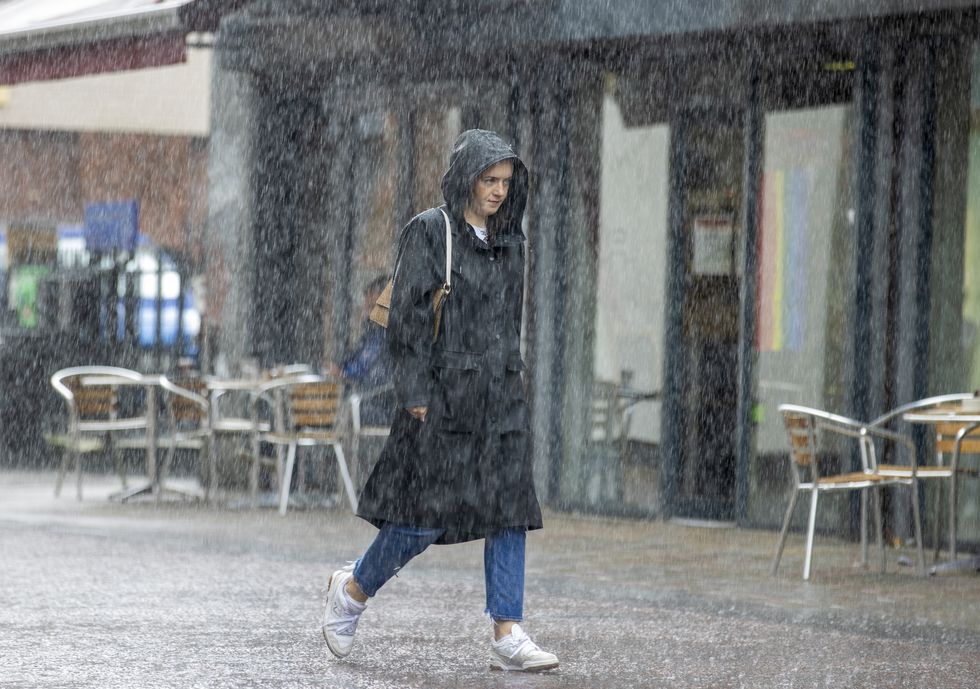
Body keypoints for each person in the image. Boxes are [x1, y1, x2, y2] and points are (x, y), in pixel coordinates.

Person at [321, 129, 558, 672]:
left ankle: (508, 633)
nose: (498, 191)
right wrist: (415, 392)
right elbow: (404, 319)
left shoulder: (510, 239)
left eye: (505, 181)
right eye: (488, 179)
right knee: (421, 521)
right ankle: (352, 591)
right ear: (466, 178)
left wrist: (511, 385)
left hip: (500, 397)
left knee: (508, 512)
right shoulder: (433, 231)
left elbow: (507, 326)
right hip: (443, 400)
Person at [327, 275, 394, 427]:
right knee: (298, 408)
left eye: (373, 307)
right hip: (360, 399)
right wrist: (340, 369)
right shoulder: (372, 331)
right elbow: (356, 360)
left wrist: (345, 375)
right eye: (368, 307)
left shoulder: (393, 336)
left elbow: (378, 376)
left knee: (324, 412)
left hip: (380, 406)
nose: (369, 313)